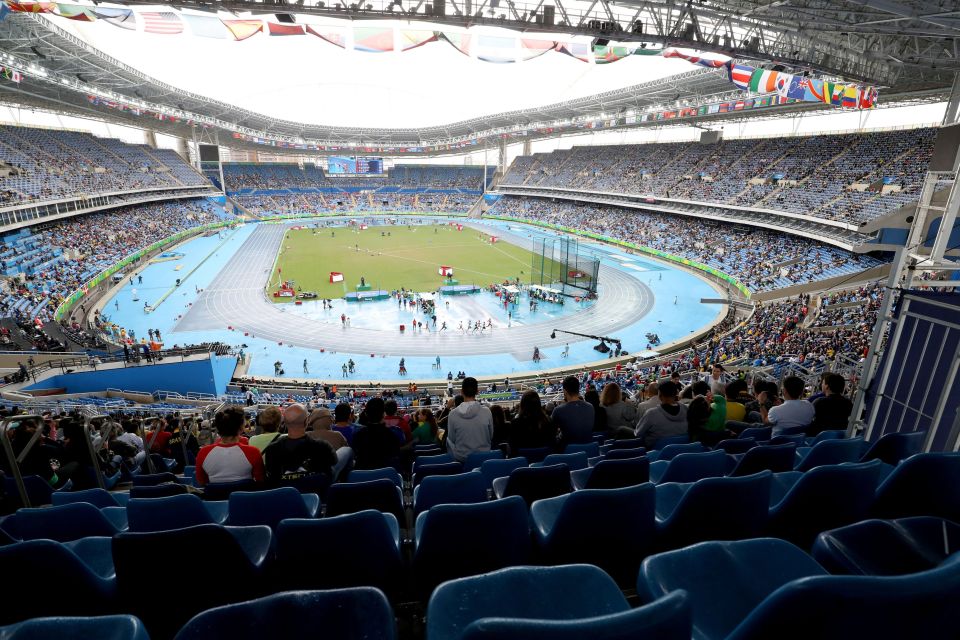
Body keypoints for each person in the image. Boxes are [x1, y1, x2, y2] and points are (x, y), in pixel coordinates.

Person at [263, 404, 338, 485]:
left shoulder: (272, 449)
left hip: (283, 495)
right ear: (307, 421)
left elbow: (271, 475)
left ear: (284, 423)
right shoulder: (322, 446)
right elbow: (334, 462)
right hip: (316, 492)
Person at [195, 407, 265, 486]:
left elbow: (201, 482)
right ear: (241, 428)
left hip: (214, 497)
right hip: (245, 497)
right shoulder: (253, 452)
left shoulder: (203, 453)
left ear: (218, 428)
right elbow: (260, 480)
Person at [446, 376, 494, 462]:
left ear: (461, 392)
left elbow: (452, 439)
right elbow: (490, 435)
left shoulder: (452, 414)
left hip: (462, 459)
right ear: (477, 391)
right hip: (484, 458)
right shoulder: (487, 412)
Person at [634, 381, 688, 448]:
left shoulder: (651, 413)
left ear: (659, 395)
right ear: (676, 393)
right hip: (682, 448)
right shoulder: (686, 408)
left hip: (655, 452)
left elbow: (638, 433)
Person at [352, 397, 401, 470]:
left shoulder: (358, 434)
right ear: (384, 414)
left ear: (366, 414)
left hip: (362, 477)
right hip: (386, 477)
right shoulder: (393, 434)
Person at [550, 376, 594, 445]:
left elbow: (551, 433)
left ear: (565, 391)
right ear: (578, 389)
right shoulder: (590, 407)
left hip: (567, 452)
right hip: (590, 450)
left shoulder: (558, 410)